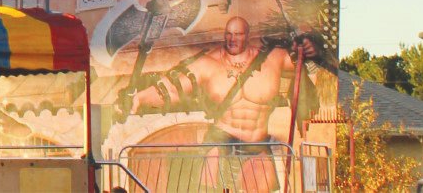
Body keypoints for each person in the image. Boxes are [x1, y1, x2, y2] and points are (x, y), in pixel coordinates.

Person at [130, 16, 318, 193]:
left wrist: (310, 47)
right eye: (228, 34)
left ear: (248, 35)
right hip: (220, 142)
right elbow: (172, 88)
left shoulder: (273, 58)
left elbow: (309, 65)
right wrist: (140, 98)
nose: (232, 39)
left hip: (256, 144)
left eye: (238, 34)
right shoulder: (208, 63)